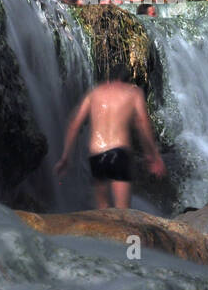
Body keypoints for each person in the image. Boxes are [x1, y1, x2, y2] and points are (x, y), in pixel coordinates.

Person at [55, 77, 166, 209]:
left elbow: (74, 123)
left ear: (108, 80)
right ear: (123, 80)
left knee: (102, 209)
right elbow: (142, 122)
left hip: (97, 155)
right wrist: (153, 155)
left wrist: (65, 157)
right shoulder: (133, 92)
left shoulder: (94, 93)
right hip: (119, 153)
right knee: (123, 210)